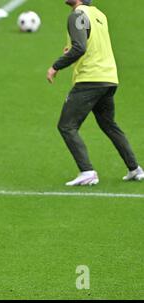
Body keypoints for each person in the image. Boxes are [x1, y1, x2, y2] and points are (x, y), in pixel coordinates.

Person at [47, 0, 144, 186]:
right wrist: (71, 49)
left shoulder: (77, 14)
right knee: (109, 124)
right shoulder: (99, 15)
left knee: (67, 126)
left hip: (90, 79)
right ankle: (135, 169)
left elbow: (80, 47)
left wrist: (56, 66)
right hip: (108, 77)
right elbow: (88, 43)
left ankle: (87, 171)